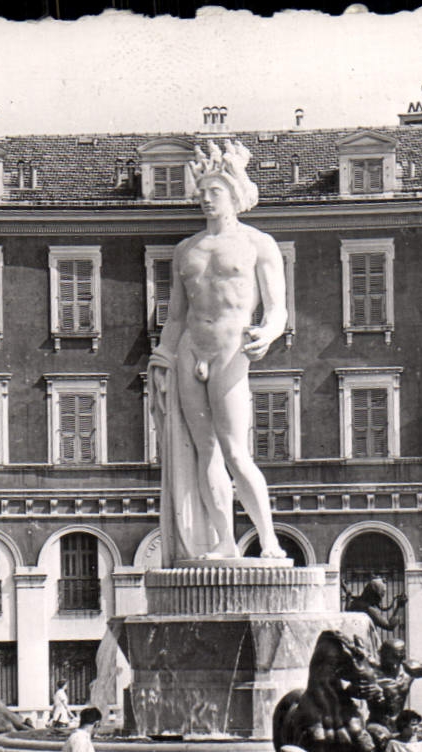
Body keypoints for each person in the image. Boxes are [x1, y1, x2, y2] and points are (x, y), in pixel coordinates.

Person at [147, 139, 288, 564]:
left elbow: (278, 307)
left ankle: (268, 541)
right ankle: (224, 541)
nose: (206, 199)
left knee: (234, 450)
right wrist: (163, 358)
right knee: (204, 450)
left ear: (234, 194)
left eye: (215, 192)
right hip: (191, 351)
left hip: (230, 351)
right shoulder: (186, 250)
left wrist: (269, 332)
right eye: (202, 192)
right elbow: (175, 316)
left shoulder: (258, 244)